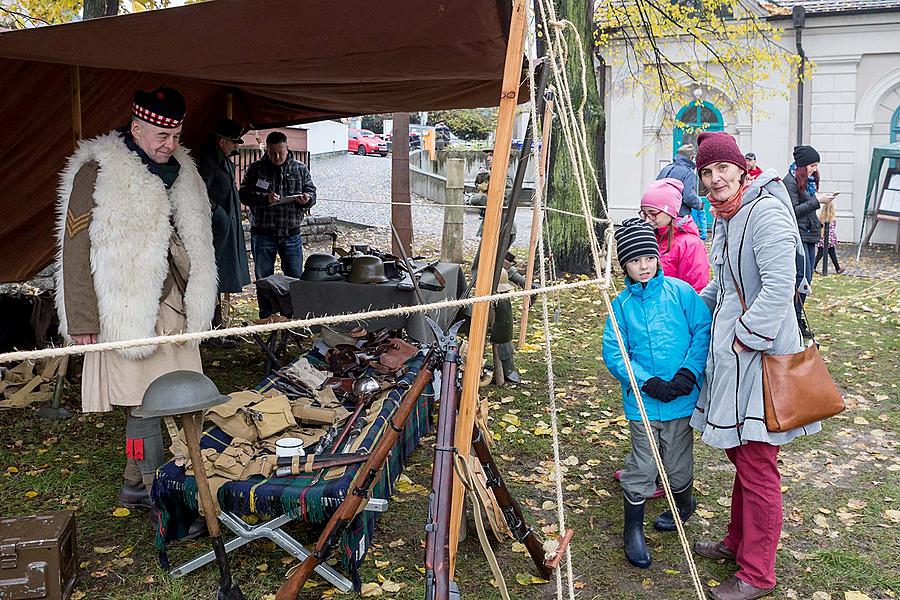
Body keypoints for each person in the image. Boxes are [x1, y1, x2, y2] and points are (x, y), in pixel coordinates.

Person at [55, 87, 217, 508]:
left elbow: (199, 239)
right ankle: (152, 491)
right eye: (162, 135)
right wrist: (82, 320)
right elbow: (75, 248)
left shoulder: (184, 169)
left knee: (186, 395)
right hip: (125, 306)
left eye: (176, 134)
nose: (171, 145)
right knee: (142, 405)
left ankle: (142, 482)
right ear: (136, 128)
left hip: (177, 305)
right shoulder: (98, 170)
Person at [690, 131, 820, 600]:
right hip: (734, 352)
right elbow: (723, 286)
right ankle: (736, 541)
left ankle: (757, 574)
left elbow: (780, 285)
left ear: (742, 168)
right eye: (706, 172)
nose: (714, 179)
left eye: (722, 168)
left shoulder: (764, 211)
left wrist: (745, 338)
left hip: (758, 356)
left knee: (757, 462)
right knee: (744, 456)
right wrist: (686, 308)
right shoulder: (726, 217)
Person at [602, 218, 711, 569]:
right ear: (625, 265)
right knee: (643, 465)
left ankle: (683, 502)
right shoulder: (619, 306)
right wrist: (646, 381)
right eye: (635, 261)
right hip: (644, 402)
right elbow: (615, 350)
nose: (643, 266)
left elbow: (701, 330)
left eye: (648, 257)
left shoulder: (681, 293)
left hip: (681, 397)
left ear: (657, 257)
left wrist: (688, 372)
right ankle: (632, 527)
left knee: (678, 464)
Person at [197, 117, 251, 333]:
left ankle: (218, 325)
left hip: (223, 228)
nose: (235, 146)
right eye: (233, 142)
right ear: (222, 142)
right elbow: (202, 195)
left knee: (219, 278)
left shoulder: (224, 161)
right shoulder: (207, 161)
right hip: (214, 232)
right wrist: (220, 217)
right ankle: (211, 327)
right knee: (213, 277)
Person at [239, 131, 317, 282]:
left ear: (287, 148)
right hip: (263, 234)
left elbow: (312, 193)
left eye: (280, 152)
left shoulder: (300, 169)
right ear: (267, 149)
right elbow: (243, 194)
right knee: (264, 281)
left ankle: (290, 306)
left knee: (295, 280)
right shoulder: (256, 169)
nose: (276, 157)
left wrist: (307, 199)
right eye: (272, 153)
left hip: (291, 234)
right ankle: (267, 307)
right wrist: (264, 198)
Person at [783, 145, 835, 338]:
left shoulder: (808, 181)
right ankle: (794, 320)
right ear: (803, 165)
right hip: (798, 236)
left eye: (816, 165)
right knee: (801, 279)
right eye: (812, 165)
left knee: (807, 280)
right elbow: (792, 210)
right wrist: (817, 201)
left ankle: (797, 318)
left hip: (810, 234)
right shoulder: (789, 181)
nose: (815, 169)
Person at [639, 178, 710, 293]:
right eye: (644, 213)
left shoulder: (690, 244)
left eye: (652, 213)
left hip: (676, 308)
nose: (647, 220)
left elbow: (696, 289)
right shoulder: (650, 237)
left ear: (669, 211)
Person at [657, 144, 704, 217]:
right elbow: (689, 197)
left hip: (661, 214)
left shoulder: (666, 169)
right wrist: (699, 204)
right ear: (691, 157)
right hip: (679, 215)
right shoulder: (688, 173)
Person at [815, 199, 844, 274]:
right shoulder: (832, 219)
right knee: (824, 253)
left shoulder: (821, 218)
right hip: (828, 240)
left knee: (822, 253)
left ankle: (837, 268)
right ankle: (837, 269)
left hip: (822, 238)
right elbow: (831, 230)